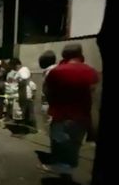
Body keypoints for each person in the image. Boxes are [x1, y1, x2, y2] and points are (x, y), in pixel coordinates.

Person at [40, 43, 99, 177]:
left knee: (59, 147)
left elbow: (47, 92)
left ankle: (60, 181)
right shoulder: (91, 71)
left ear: (64, 55)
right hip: (81, 117)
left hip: (60, 115)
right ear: (80, 54)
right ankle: (68, 176)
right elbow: (94, 95)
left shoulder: (57, 72)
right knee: (74, 147)